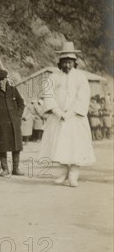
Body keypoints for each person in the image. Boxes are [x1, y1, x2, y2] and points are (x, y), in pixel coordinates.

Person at [38, 42, 96, 187]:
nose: (67, 65)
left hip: (75, 118)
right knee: (61, 145)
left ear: (74, 62)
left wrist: (69, 113)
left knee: (76, 146)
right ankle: (63, 173)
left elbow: (82, 97)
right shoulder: (53, 77)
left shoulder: (80, 77)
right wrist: (57, 112)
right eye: (65, 62)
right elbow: (48, 95)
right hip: (58, 118)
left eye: (70, 62)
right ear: (60, 62)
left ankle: (73, 175)